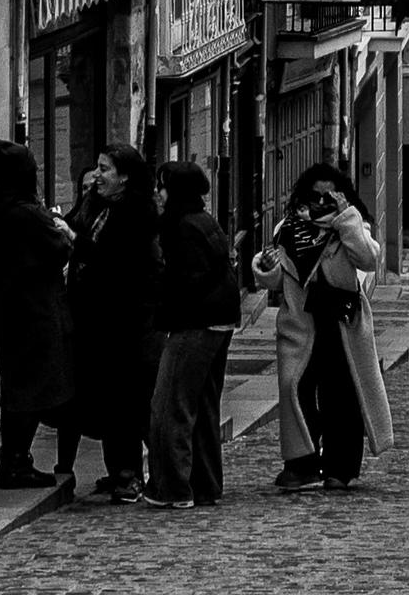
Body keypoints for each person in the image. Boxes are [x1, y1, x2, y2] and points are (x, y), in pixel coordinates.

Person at [251, 158, 392, 491]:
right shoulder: (289, 229)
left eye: (329, 197)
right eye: (315, 196)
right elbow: (281, 280)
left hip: (342, 324)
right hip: (301, 324)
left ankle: (340, 469)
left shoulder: (352, 226)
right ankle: (301, 464)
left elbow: (368, 259)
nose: (321, 203)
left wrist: (346, 218)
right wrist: (267, 267)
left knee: (342, 396)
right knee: (295, 389)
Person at [56, 144, 162, 502]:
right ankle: (119, 471)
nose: (98, 175)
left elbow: (117, 262)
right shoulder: (96, 204)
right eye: (98, 167)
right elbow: (77, 228)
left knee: (126, 402)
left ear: (125, 176)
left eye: (105, 169)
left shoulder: (138, 213)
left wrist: (76, 241)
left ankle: (131, 474)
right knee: (108, 400)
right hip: (93, 319)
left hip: (126, 322)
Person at [0, 140, 73, 489]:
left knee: (17, 385)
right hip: (33, 311)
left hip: (7, 307)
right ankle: (16, 461)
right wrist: (60, 231)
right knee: (30, 387)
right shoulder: (25, 212)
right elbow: (60, 249)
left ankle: (13, 457)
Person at [145, 160, 242, 510]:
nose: (158, 193)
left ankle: (172, 487)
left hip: (196, 323)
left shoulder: (182, 226)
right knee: (202, 406)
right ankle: (206, 485)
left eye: (162, 186)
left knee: (171, 405)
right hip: (218, 320)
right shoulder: (203, 219)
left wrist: (161, 301)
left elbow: (188, 281)